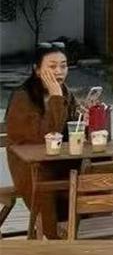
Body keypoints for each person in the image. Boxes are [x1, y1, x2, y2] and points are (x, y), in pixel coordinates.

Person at [4, 42, 79, 238]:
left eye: (63, 65)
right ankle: (55, 234)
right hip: (29, 166)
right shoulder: (22, 97)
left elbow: (75, 130)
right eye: (52, 66)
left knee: (101, 167)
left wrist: (86, 119)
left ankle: (100, 226)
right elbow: (44, 137)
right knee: (47, 181)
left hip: (60, 162)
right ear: (37, 70)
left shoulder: (65, 93)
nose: (59, 71)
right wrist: (55, 98)